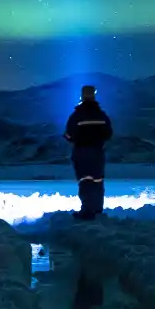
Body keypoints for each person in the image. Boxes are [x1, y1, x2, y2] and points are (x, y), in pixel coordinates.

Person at [64, 84, 113, 219]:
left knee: (85, 181)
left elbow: (68, 134)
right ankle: (97, 210)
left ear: (82, 96)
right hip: (97, 152)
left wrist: (76, 139)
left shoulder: (76, 116)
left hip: (81, 152)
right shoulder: (101, 115)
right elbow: (109, 133)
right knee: (97, 181)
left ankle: (87, 211)